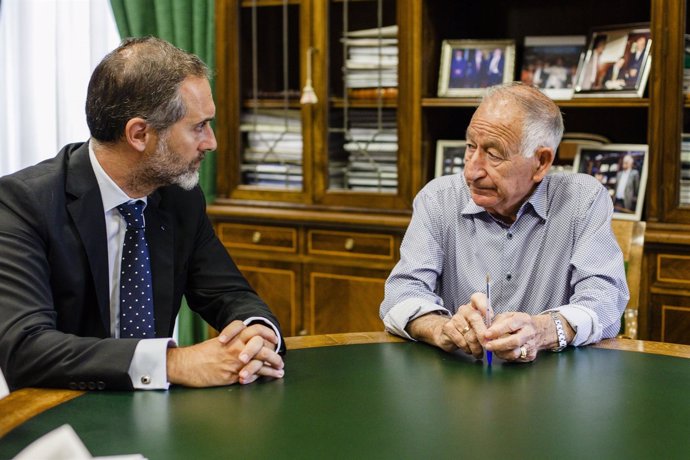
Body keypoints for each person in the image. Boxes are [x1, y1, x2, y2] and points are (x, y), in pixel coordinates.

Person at [0, 37, 285, 391]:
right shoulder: (23, 203)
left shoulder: (180, 197)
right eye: (199, 126)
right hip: (64, 416)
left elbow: (227, 293)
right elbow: (26, 349)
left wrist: (259, 333)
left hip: (157, 416)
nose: (211, 142)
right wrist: (172, 362)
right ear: (139, 134)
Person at [380, 82, 628, 363]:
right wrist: (442, 328)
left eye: (494, 155)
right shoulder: (438, 200)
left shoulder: (582, 201)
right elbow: (400, 294)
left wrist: (541, 331)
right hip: (458, 386)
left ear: (541, 162)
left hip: (551, 384)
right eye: (470, 147)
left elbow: (605, 301)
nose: (472, 171)